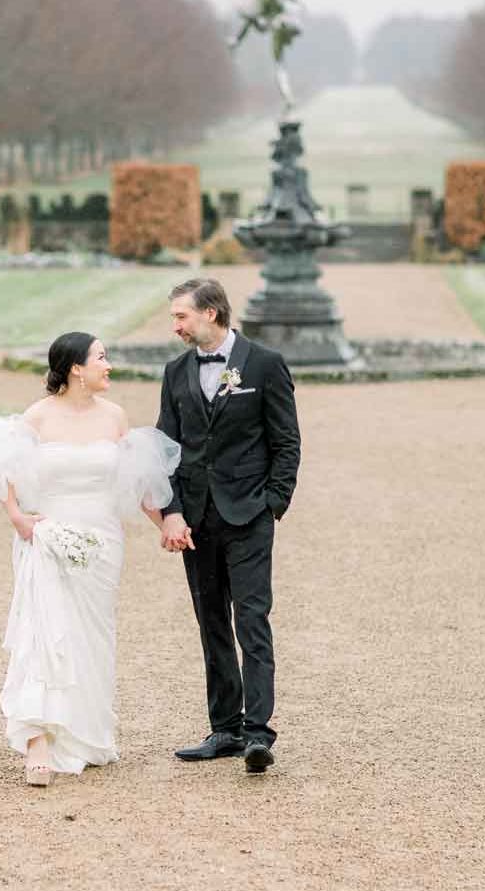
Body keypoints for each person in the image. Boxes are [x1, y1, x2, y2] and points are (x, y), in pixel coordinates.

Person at [0, 332, 180, 787]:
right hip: (48, 536)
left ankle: (82, 735)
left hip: (102, 543)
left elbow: (138, 484)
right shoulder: (38, 416)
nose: (108, 365)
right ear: (76, 367)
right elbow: (3, 465)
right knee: (44, 634)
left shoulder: (114, 416)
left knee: (91, 639)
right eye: (101, 358)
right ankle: (38, 742)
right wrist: (17, 516)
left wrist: (168, 525)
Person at [157, 279, 301, 773]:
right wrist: (172, 510)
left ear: (211, 313)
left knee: (252, 621)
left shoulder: (264, 364)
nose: (176, 327)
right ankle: (225, 728)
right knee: (212, 621)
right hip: (196, 519)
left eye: (181, 316)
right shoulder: (175, 372)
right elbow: (165, 450)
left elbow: (286, 442)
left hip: (248, 514)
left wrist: (273, 503)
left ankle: (258, 733)